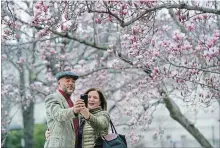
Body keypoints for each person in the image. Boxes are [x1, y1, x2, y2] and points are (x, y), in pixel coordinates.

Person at [45, 88, 110, 148]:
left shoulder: (103, 114)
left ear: (100, 102)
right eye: (89, 97)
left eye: (95, 98)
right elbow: (66, 126)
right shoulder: (79, 116)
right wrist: (52, 132)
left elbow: (100, 125)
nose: (91, 99)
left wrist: (88, 116)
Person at [44, 71, 85, 148]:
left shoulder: (71, 102)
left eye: (73, 81)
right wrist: (74, 110)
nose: (71, 83)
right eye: (67, 80)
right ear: (59, 83)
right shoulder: (52, 98)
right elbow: (58, 114)